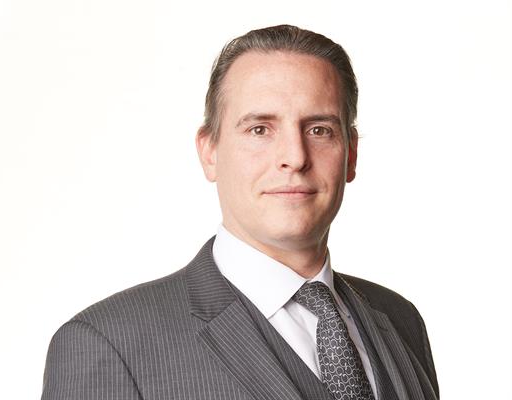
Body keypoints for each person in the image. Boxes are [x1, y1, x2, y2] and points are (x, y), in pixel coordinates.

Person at [41, 24, 439, 400]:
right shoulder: (109, 343)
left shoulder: (400, 320)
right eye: (259, 129)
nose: (294, 157)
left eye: (319, 129)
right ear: (209, 152)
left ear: (351, 154)